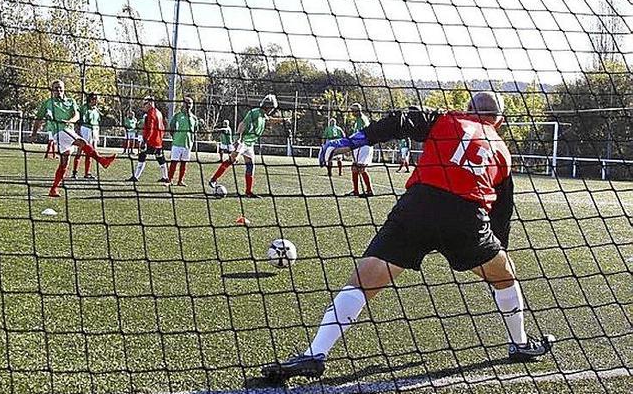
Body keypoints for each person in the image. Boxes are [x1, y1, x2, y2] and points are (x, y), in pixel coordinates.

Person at [262, 92, 554, 381]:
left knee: (364, 282)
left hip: (419, 206)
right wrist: (495, 256)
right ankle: (519, 343)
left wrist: (351, 142)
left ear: (466, 108)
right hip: (466, 218)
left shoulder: (445, 118)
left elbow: (399, 120)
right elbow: (502, 213)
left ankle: (315, 353)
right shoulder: (503, 151)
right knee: (505, 275)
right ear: (499, 122)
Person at [30, 80, 116, 197]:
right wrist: (34, 133)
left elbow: (77, 115)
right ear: (52, 90)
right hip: (58, 131)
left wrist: (71, 120)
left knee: (65, 162)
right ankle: (102, 160)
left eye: (60, 88)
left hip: (68, 130)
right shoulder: (48, 103)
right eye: (55, 88)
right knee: (82, 142)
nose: (58, 90)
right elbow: (39, 118)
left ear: (64, 89)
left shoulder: (71, 101)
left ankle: (54, 189)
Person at [207, 94, 285, 198]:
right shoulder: (254, 112)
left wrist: (283, 120)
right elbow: (242, 124)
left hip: (250, 144)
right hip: (243, 141)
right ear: (268, 106)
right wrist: (238, 139)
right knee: (232, 160)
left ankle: (248, 192)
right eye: (272, 108)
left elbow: (269, 119)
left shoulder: (263, 115)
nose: (272, 110)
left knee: (250, 166)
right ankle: (213, 180)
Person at [128, 96, 168, 183]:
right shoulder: (159, 113)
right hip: (158, 141)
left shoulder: (151, 113)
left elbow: (151, 128)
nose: (143, 106)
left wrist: (145, 140)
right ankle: (165, 177)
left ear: (150, 103)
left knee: (142, 156)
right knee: (160, 158)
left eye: (145, 104)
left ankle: (136, 176)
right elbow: (163, 127)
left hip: (151, 140)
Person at [167, 96, 198, 186]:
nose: (189, 105)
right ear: (183, 104)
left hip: (188, 144)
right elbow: (171, 126)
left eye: (190, 103)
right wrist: (175, 136)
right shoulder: (177, 115)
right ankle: (169, 180)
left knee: (184, 163)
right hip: (177, 142)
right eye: (187, 102)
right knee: (174, 162)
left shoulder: (194, 118)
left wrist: (191, 139)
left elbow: (195, 130)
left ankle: (180, 181)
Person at [73, 92, 101, 180]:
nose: (96, 101)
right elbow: (79, 121)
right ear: (91, 99)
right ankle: (74, 172)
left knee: (91, 152)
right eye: (95, 99)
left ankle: (87, 173)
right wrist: (78, 132)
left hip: (95, 130)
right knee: (80, 150)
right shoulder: (84, 108)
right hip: (85, 129)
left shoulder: (96, 109)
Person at [347, 103, 374, 197]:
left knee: (360, 168)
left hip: (362, 146)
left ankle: (369, 191)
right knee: (355, 169)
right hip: (364, 145)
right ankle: (356, 191)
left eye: (353, 111)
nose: (352, 113)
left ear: (357, 111)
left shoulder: (361, 120)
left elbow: (361, 134)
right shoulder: (361, 119)